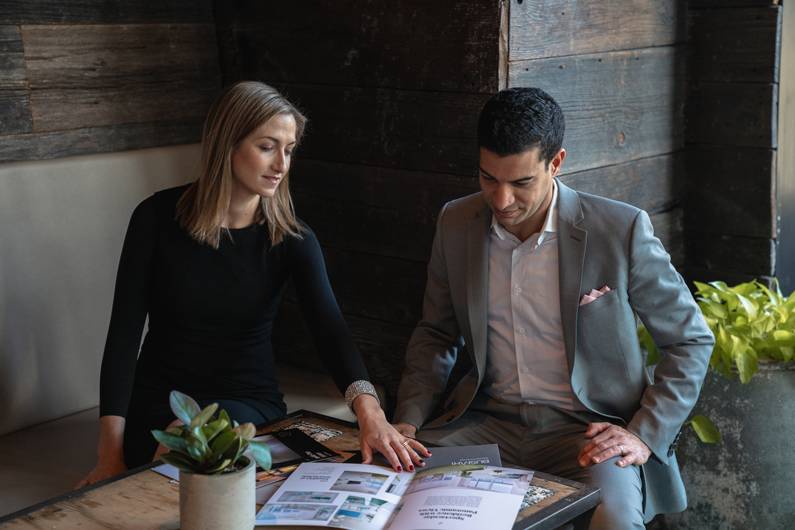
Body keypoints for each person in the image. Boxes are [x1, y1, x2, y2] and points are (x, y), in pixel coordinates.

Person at [76, 81, 428, 489]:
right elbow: (122, 338)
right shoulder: (153, 219)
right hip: (160, 400)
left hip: (245, 402)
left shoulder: (293, 240)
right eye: (267, 146)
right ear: (227, 143)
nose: (281, 163)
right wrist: (109, 456)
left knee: (198, 448)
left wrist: (372, 414)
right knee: (181, 445)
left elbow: (332, 334)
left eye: (290, 149)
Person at [391, 87, 714, 529]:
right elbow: (436, 336)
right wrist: (407, 421)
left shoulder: (620, 229)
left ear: (556, 162)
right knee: (394, 498)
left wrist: (641, 432)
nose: (501, 200)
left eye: (521, 182)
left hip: (586, 430)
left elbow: (690, 339)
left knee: (616, 522)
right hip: (484, 420)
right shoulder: (455, 222)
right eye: (488, 178)